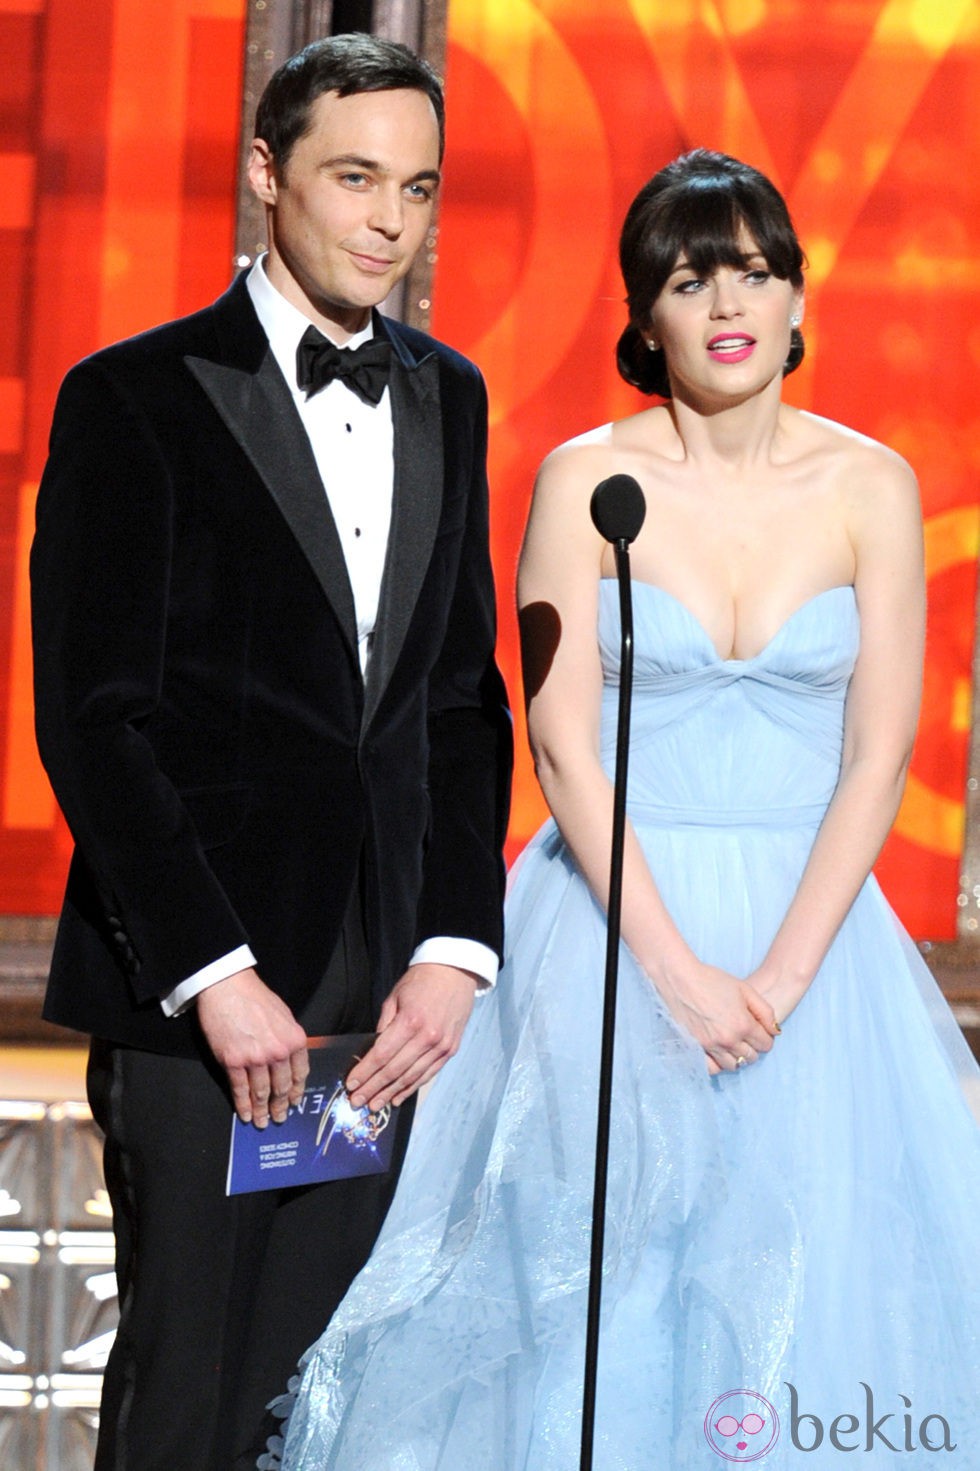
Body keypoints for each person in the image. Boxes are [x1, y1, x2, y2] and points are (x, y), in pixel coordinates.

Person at [265, 148, 980, 1470]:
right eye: (693, 276)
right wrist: (680, 975)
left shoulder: (871, 484)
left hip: (814, 947)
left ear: (799, 301)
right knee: (603, 1289)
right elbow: (559, 737)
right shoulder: (582, 479)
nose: (730, 303)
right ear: (645, 316)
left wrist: (773, 978)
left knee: (812, 1302)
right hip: (607, 931)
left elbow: (879, 753)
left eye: (758, 274)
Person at [30, 33, 511, 1471]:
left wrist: (454, 946)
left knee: (313, 1406)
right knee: (183, 1399)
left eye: (417, 190)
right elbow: (93, 720)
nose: (388, 221)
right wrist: (215, 977)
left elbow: (459, 699)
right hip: (201, 1001)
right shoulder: (134, 396)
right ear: (265, 174)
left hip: (375, 1005)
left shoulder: (451, 394)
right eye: (355, 178)